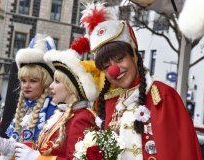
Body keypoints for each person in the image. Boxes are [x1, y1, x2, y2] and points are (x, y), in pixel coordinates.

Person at [80, 2, 202, 160]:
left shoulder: (164, 97)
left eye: (119, 58)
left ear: (135, 56)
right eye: (106, 66)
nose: (114, 70)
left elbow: (184, 152)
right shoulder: (110, 104)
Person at [13, 46, 100, 160]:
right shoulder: (62, 114)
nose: (51, 86)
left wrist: (37, 158)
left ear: (71, 87)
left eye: (57, 81)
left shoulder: (82, 118)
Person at [0, 34, 57, 159]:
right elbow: (16, 150)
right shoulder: (25, 110)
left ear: (45, 82)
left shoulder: (54, 112)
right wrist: (2, 149)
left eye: (33, 81)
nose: (26, 86)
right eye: (23, 80)